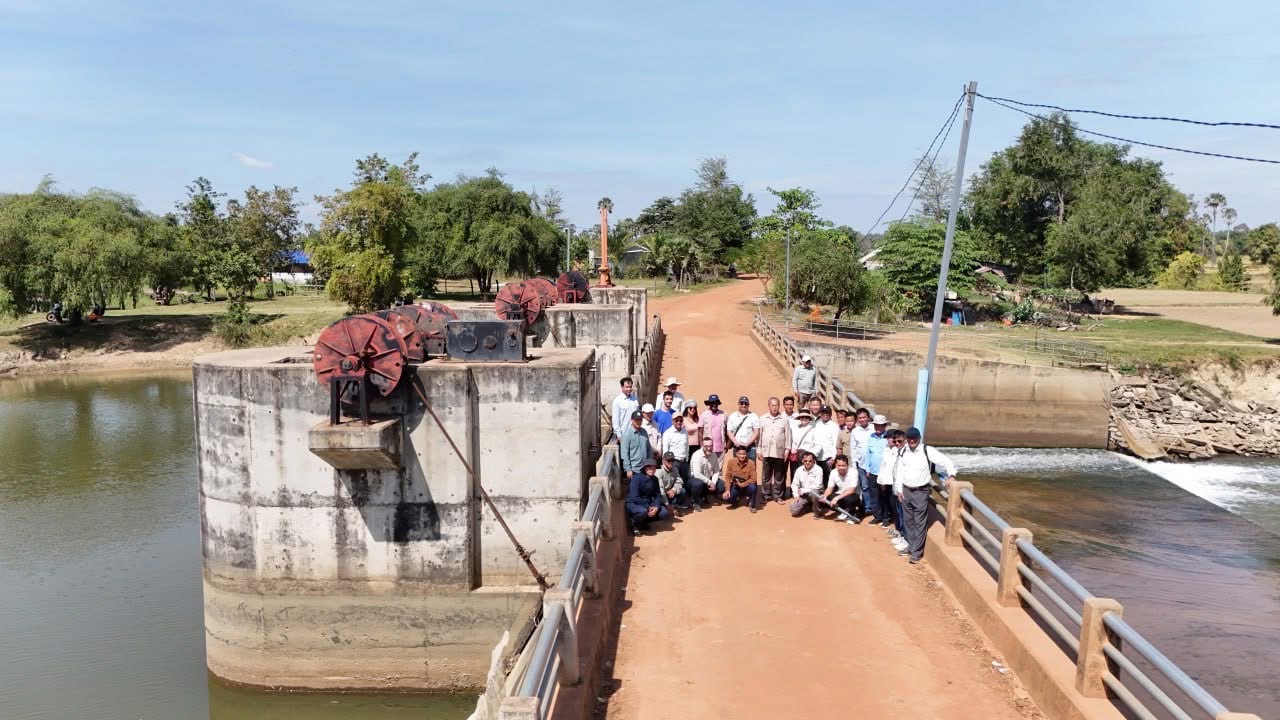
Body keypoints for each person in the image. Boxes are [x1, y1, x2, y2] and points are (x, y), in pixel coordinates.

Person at [894, 427, 958, 564]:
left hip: (921, 491)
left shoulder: (927, 450)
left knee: (919, 522)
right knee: (908, 521)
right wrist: (899, 489)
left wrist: (951, 475)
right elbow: (899, 471)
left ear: (919, 438)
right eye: (909, 438)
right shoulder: (903, 451)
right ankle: (911, 546)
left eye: (914, 438)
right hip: (905, 490)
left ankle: (916, 553)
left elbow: (946, 461)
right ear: (906, 439)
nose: (912, 440)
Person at [758, 396, 792, 505]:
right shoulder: (763, 418)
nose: (774, 408)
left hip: (779, 451)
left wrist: (787, 450)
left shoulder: (784, 420)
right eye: (772, 405)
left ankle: (778, 496)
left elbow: (788, 436)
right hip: (766, 451)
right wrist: (759, 449)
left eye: (776, 405)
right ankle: (766, 495)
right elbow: (759, 436)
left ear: (779, 406)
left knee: (779, 476)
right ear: (769, 406)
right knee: (766, 475)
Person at [625, 457, 669, 535]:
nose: (652, 469)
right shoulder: (636, 478)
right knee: (643, 511)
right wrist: (648, 506)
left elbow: (657, 495)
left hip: (648, 503)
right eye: (649, 467)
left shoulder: (655, 479)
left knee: (664, 513)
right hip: (634, 503)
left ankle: (644, 522)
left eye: (654, 467)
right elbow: (634, 497)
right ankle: (634, 523)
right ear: (644, 468)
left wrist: (656, 506)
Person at [861, 414, 890, 525]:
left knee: (885, 495)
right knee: (874, 495)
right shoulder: (871, 437)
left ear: (885, 426)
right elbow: (868, 454)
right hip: (872, 471)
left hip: (884, 473)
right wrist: (867, 469)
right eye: (876, 425)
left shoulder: (888, 438)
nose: (878, 427)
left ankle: (886, 517)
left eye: (880, 425)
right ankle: (877, 516)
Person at [823, 454, 862, 523]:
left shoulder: (854, 472)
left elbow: (852, 490)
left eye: (843, 465)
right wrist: (824, 496)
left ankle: (853, 512)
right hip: (841, 494)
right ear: (836, 465)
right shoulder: (833, 472)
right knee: (828, 497)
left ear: (847, 465)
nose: (841, 468)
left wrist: (836, 498)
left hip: (853, 495)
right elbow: (830, 488)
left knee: (849, 499)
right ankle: (844, 510)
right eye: (839, 465)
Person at [720, 445, 759, 513]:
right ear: (736, 454)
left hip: (747, 486)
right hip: (736, 486)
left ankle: (752, 504)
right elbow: (728, 477)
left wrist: (742, 484)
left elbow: (754, 479)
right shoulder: (731, 462)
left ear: (746, 454)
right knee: (727, 498)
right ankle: (736, 501)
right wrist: (727, 490)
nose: (742, 456)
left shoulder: (751, 463)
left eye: (744, 454)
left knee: (753, 487)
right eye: (740, 454)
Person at [789, 451, 826, 519]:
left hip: (817, 494)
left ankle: (818, 513)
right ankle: (809, 507)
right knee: (793, 510)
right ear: (802, 461)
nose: (807, 463)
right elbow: (794, 484)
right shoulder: (799, 470)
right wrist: (796, 495)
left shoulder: (818, 469)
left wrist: (803, 490)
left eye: (810, 461)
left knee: (814, 492)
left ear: (814, 461)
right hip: (804, 495)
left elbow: (818, 485)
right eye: (805, 461)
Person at [689, 435, 723, 508]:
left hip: (707, 479)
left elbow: (716, 471)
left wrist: (713, 483)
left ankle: (708, 496)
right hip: (695, 479)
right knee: (698, 484)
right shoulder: (697, 455)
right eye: (706, 446)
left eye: (711, 446)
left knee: (722, 485)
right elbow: (697, 474)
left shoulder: (714, 455)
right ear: (702, 446)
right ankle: (695, 501)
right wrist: (710, 482)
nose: (709, 448)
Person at [725, 396, 761, 460]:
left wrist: (748, 443)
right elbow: (729, 431)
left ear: (748, 405)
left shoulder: (753, 416)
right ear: (738, 404)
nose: (744, 405)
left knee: (751, 465)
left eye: (746, 403)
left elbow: (756, 431)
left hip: (750, 447)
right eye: (742, 403)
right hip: (737, 447)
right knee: (737, 466)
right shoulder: (733, 416)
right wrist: (735, 442)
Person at [660, 412, 692, 485]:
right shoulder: (667, 433)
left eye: (680, 420)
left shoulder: (685, 432)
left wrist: (687, 459)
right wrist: (666, 463)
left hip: (684, 462)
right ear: (672, 421)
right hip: (674, 462)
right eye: (676, 420)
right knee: (675, 483)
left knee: (684, 482)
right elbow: (665, 450)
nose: (679, 422)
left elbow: (687, 446)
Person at [620, 411, 652, 480]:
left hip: (645, 468)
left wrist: (650, 464)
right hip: (634, 470)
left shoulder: (644, 432)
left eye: (640, 420)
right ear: (632, 420)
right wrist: (628, 469)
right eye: (636, 420)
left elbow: (649, 449)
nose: (638, 422)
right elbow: (624, 454)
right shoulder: (626, 434)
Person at [814, 405, 839, 481]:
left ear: (830, 414)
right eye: (823, 413)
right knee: (820, 479)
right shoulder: (817, 425)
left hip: (828, 458)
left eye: (827, 413)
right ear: (820, 414)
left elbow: (836, 443)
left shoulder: (834, 426)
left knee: (829, 479)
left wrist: (833, 458)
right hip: (818, 457)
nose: (825, 414)